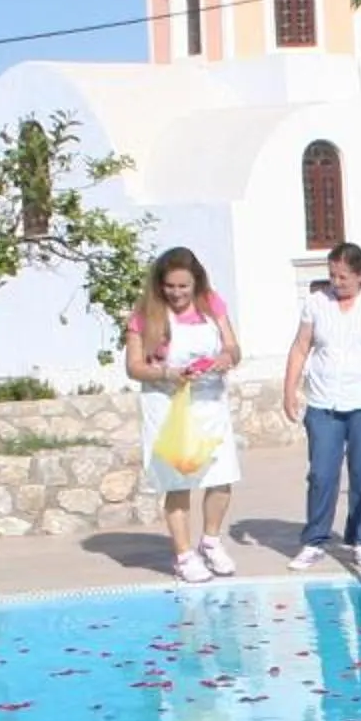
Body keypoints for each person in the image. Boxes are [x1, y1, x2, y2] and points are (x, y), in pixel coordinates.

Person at [281, 242, 361, 573]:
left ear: (360, 275)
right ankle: (315, 539)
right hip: (325, 401)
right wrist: (289, 389)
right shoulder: (316, 303)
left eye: (343, 277)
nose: (336, 283)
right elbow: (300, 348)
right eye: (332, 276)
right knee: (322, 473)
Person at [122, 247, 243, 584]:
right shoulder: (145, 315)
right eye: (170, 286)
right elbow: (134, 367)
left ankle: (211, 541)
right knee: (178, 481)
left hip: (209, 403)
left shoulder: (212, 304)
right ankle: (184, 554)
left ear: (196, 284)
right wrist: (167, 374)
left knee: (220, 476)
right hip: (168, 406)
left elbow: (234, 348)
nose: (176, 293)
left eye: (183, 287)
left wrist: (225, 358)